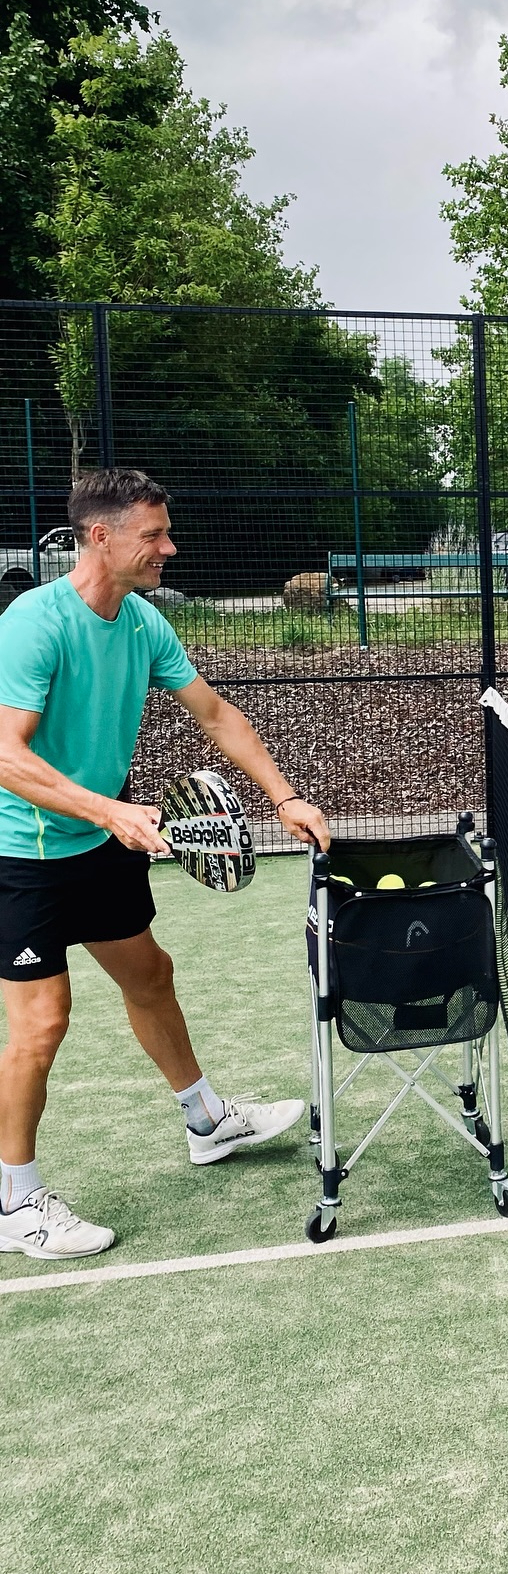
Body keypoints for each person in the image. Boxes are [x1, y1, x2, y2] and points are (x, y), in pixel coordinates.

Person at [0, 467, 330, 1260]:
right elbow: (5, 754)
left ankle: (206, 1121)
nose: (168, 548)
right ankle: (13, 1201)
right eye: (153, 535)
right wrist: (108, 810)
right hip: (24, 852)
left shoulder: (143, 622)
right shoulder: (34, 623)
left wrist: (284, 797)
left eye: (165, 532)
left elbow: (215, 713)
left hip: (99, 838)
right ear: (100, 537)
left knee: (149, 975)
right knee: (42, 1024)